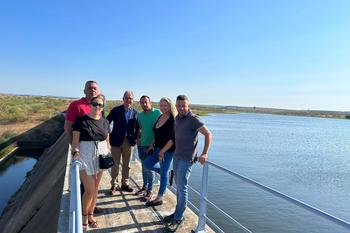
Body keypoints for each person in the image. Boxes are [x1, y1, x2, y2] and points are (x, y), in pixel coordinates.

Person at [164, 95, 212, 233]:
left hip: (186, 160)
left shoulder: (193, 119)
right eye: (178, 106)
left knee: (182, 188)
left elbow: (208, 134)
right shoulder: (177, 118)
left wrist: (204, 153)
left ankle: (179, 218)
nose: (181, 108)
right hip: (177, 157)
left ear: (188, 105)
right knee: (178, 187)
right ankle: (177, 213)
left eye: (183, 105)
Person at [64, 80, 104, 214]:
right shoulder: (76, 105)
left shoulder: (99, 105)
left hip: (97, 153)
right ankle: (83, 211)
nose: (93, 90)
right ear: (84, 90)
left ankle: (90, 208)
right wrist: (74, 148)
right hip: (83, 151)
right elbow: (68, 127)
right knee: (86, 185)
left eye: (95, 88)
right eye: (90, 88)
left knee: (94, 184)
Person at [71, 95, 110, 230]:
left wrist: (108, 153)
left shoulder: (105, 121)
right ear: (90, 105)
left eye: (100, 105)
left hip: (101, 157)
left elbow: (107, 140)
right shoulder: (81, 121)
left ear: (102, 107)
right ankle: (83, 215)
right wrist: (75, 153)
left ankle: (91, 214)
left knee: (96, 189)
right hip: (85, 158)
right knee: (89, 189)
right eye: (95, 104)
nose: (97, 107)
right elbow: (75, 141)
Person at [144, 97, 177, 207]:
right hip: (157, 148)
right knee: (147, 163)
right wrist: (151, 145)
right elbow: (157, 133)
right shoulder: (160, 116)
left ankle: (159, 198)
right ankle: (167, 174)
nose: (163, 107)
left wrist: (162, 151)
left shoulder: (173, 119)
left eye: (165, 105)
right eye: (161, 105)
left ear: (170, 106)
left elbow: (172, 139)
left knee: (163, 172)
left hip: (167, 150)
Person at [107, 90, 138, 194]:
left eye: (130, 98)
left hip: (128, 142)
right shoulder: (116, 110)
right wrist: (109, 135)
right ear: (123, 98)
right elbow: (107, 122)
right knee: (115, 164)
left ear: (132, 100)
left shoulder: (135, 112)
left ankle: (125, 183)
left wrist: (137, 138)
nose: (128, 100)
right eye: (126, 98)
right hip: (116, 141)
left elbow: (138, 128)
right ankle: (114, 185)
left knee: (127, 164)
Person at [134, 96, 161, 201]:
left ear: (150, 102)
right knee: (143, 167)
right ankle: (144, 187)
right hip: (141, 145)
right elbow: (139, 129)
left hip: (153, 146)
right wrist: (137, 138)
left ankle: (150, 190)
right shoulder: (140, 116)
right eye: (142, 102)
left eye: (146, 102)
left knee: (149, 168)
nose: (144, 104)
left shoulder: (157, 113)